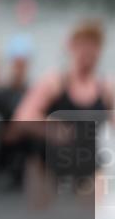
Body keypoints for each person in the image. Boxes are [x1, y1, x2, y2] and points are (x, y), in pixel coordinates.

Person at [12, 20, 112, 208]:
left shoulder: (106, 89)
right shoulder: (55, 82)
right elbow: (21, 118)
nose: (89, 51)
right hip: (48, 165)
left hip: (88, 167)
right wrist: (50, 127)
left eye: (94, 45)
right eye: (84, 44)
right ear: (72, 46)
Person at [0, 34, 31, 191]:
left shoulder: (34, 92)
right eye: (17, 63)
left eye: (22, 64)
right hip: (3, 149)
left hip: (23, 154)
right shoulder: (0, 92)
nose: (19, 68)